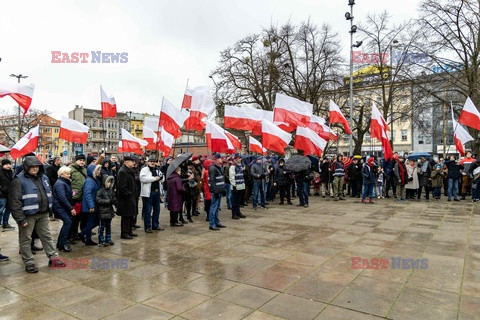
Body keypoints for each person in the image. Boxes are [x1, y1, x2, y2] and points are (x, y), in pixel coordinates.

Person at [9, 156, 66, 273]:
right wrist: (20, 219)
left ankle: (53, 257)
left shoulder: (43, 177)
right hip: (27, 215)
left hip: (43, 213)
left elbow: (49, 193)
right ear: (26, 167)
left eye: (37, 166)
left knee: (47, 236)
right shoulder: (18, 180)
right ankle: (29, 262)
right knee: (26, 239)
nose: (35, 169)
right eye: (32, 167)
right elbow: (14, 201)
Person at [52, 166, 75, 252]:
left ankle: (61, 243)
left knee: (67, 222)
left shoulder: (65, 182)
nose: (69, 175)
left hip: (63, 207)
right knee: (68, 222)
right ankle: (63, 243)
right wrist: (71, 208)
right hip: (60, 207)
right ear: (61, 174)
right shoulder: (60, 183)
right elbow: (62, 197)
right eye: (67, 174)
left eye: (69, 173)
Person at [117, 156, 138, 239]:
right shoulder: (123, 171)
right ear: (126, 162)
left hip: (131, 197)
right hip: (126, 199)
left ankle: (129, 231)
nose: (134, 163)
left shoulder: (129, 171)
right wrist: (128, 194)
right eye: (132, 161)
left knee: (130, 215)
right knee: (126, 216)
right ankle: (124, 233)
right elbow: (122, 187)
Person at [80, 164, 102, 245]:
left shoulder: (93, 179)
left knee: (93, 221)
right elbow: (87, 194)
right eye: (97, 170)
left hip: (92, 205)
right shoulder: (89, 181)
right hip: (90, 206)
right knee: (91, 222)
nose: (99, 172)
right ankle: (86, 237)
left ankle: (83, 234)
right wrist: (91, 206)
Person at [140, 157, 163, 232]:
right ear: (148, 162)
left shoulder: (157, 169)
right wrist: (154, 178)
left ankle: (155, 225)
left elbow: (162, 179)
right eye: (151, 161)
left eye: (154, 161)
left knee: (157, 210)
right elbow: (143, 179)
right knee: (147, 211)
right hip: (148, 193)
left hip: (156, 192)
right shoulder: (144, 170)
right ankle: (148, 227)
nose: (153, 163)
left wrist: (161, 177)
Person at [68, 154, 87, 243]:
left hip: (81, 198)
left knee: (78, 218)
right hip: (73, 198)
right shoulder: (71, 170)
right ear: (76, 160)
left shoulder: (84, 170)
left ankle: (75, 234)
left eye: (83, 160)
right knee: (73, 218)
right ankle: (70, 236)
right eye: (80, 160)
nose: (82, 162)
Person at [96, 175, 116, 246]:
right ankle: (101, 240)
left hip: (109, 211)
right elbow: (98, 200)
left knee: (108, 226)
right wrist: (107, 201)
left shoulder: (110, 190)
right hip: (102, 212)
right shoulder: (100, 191)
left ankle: (108, 238)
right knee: (102, 227)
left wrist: (115, 201)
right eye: (108, 182)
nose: (109, 183)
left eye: (110, 182)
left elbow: (113, 198)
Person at [208, 154, 227, 230]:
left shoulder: (218, 167)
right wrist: (215, 191)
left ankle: (217, 222)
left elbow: (221, 179)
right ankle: (212, 224)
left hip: (219, 190)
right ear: (217, 159)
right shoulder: (213, 168)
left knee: (217, 207)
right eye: (220, 158)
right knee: (213, 207)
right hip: (216, 191)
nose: (222, 160)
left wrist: (223, 189)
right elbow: (212, 181)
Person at [229, 154, 246, 220]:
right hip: (236, 186)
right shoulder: (233, 166)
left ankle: (238, 212)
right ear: (236, 159)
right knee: (234, 201)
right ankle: (234, 214)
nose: (240, 159)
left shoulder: (240, 166)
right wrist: (234, 185)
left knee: (238, 200)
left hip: (240, 185)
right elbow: (231, 177)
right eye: (239, 158)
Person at [0, 159, 14, 230]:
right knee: (0, 210)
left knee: (8, 209)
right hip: (2, 194)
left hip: (10, 194)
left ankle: (5, 223)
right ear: (3, 165)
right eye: (6, 164)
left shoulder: (11, 172)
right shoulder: (0, 172)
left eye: (9, 164)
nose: (8, 166)